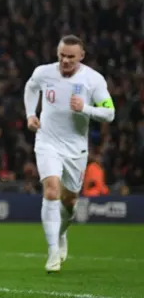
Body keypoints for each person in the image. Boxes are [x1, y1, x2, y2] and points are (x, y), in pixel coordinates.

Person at [24, 35, 114, 274]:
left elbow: (110, 113)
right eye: (62, 55)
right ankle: (53, 252)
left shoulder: (93, 79)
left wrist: (84, 108)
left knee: (70, 201)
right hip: (47, 141)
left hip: (75, 149)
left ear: (81, 56)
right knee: (51, 190)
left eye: (71, 57)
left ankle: (62, 232)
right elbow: (31, 87)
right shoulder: (44, 72)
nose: (65, 61)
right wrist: (30, 114)